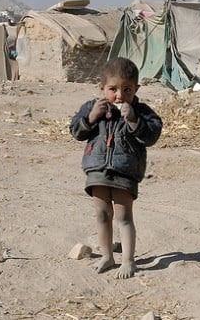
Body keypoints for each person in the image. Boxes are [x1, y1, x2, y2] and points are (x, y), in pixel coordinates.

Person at [69, 57, 163, 279]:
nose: (120, 95)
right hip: (97, 170)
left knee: (124, 216)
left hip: (125, 171)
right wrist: (91, 117)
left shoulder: (141, 111)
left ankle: (128, 261)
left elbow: (152, 134)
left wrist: (134, 121)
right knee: (102, 214)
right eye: (113, 89)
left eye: (127, 89)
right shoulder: (92, 108)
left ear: (136, 89)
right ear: (102, 88)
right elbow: (75, 131)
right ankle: (107, 256)